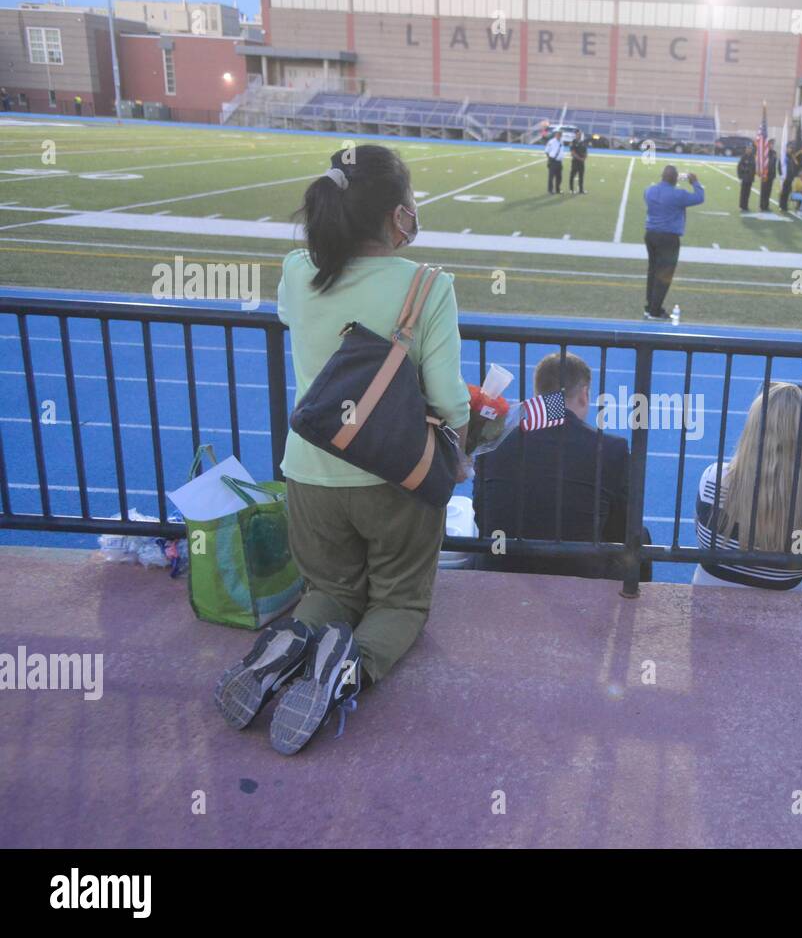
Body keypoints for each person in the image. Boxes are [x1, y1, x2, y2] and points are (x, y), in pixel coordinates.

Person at [213, 144, 471, 755]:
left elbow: (296, 317)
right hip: (396, 480)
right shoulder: (429, 287)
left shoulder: (298, 272)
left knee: (329, 591)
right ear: (394, 216)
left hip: (308, 474)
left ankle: (292, 643)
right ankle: (345, 669)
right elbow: (451, 403)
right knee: (400, 602)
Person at [474, 351, 648, 581]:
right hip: (579, 572)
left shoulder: (495, 440)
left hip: (503, 565)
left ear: (537, 394)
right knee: (641, 537)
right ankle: (633, 608)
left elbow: (482, 516)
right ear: (585, 394)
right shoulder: (611, 449)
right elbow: (623, 527)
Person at [694, 383, 802, 592]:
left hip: (706, 604)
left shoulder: (713, 480)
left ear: (753, 429)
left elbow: (708, 541)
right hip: (784, 610)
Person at [643, 164, 704, 320]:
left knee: (653, 272)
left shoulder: (649, 191)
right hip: (668, 238)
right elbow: (699, 197)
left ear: (662, 176)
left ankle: (650, 306)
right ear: (675, 178)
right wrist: (695, 182)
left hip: (650, 235)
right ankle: (655, 311)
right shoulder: (679, 195)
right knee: (664, 276)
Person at [759, 144, 779, 212]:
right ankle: (762, 205)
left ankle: (766, 205)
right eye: (771, 144)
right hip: (765, 174)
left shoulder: (774, 153)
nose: (772, 145)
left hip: (771, 175)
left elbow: (774, 164)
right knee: (764, 190)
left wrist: (774, 174)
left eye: (773, 144)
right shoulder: (765, 152)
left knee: (768, 191)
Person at [778, 141, 797, 212]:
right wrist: (781, 175)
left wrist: (793, 176)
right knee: (783, 192)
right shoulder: (784, 156)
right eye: (789, 148)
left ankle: (785, 206)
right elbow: (780, 166)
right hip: (784, 177)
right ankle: (781, 205)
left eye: (791, 148)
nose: (790, 149)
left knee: (788, 192)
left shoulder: (792, 157)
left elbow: (794, 166)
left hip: (790, 178)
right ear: (786, 148)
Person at [737, 144, 756, 211]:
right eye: (748, 148)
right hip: (744, 177)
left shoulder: (752, 157)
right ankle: (742, 206)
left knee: (748, 193)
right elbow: (739, 167)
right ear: (746, 149)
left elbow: (754, 168)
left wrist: (753, 177)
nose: (749, 150)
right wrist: (740, 176)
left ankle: (746, 205)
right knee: (743, 192)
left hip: (750, 178)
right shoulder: (743, 157)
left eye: (750, 148)